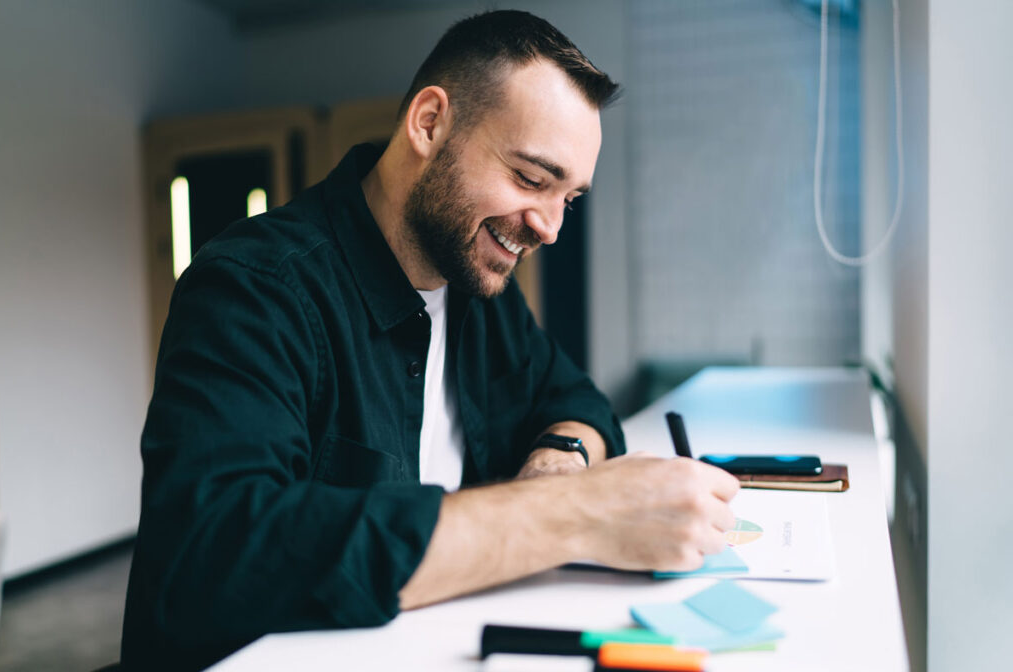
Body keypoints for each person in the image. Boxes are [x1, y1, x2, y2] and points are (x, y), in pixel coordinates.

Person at [120, 10, 739, 671]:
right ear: (428, 123)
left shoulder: (481, 288)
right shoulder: (253, 289)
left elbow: (576, 400)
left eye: (570, 197)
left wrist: (559, 461)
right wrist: (568, 514)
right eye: (532, 179)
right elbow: (219, 557)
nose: (551, 227)